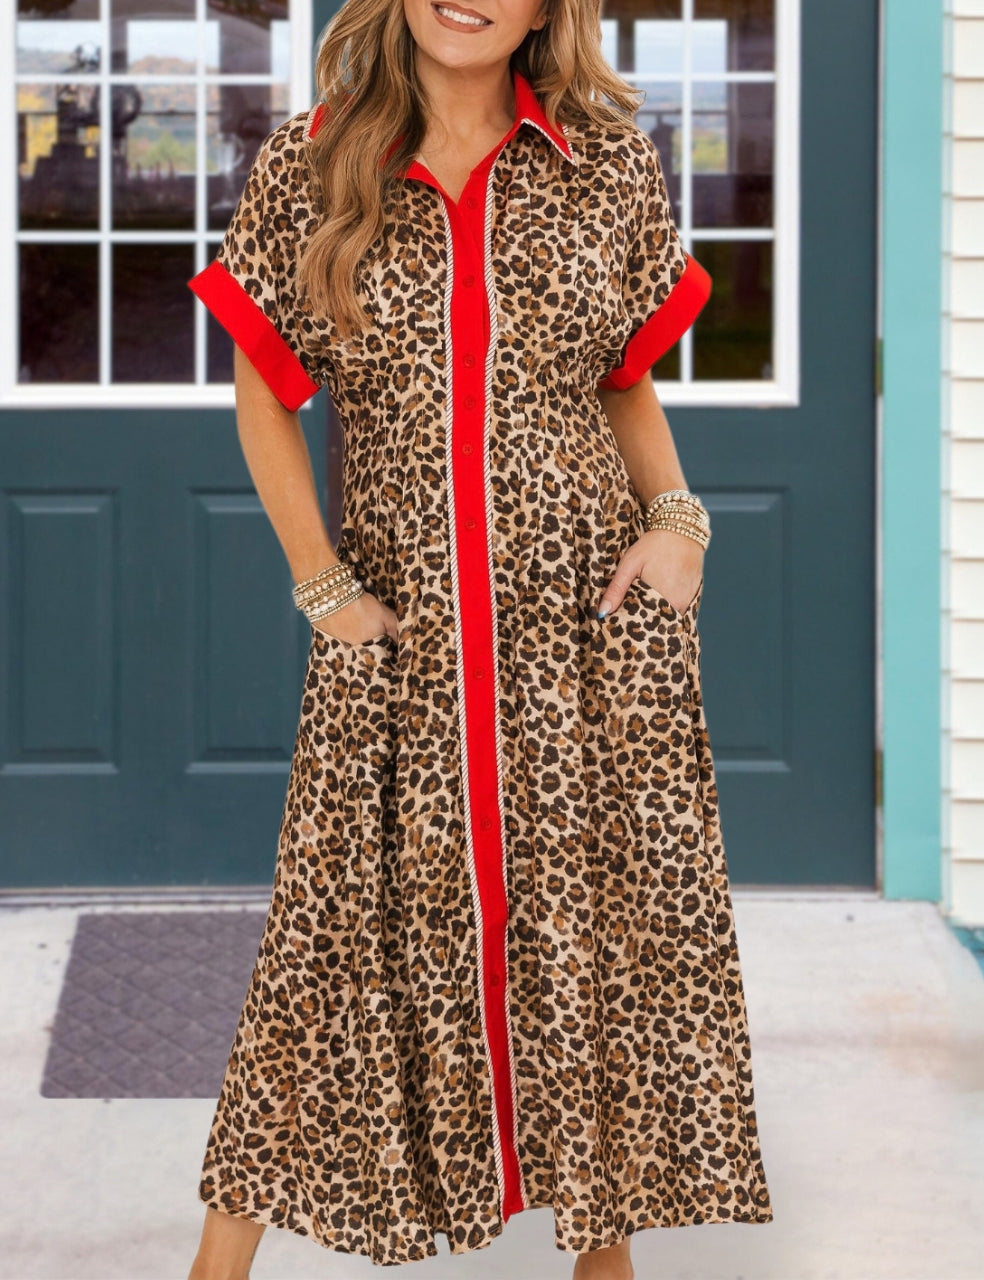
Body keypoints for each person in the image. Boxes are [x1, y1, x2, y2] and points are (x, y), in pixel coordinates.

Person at [185, 2, 774, 1278]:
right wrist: (322, 586)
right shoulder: (313, 160)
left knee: (591, 934)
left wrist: (680, 522)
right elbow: (264, 394)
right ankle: (216, 1266)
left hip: (585, 635)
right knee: (329, 945)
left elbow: (621, 379)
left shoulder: (605, 165)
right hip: (402, 639)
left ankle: (602, 1257)